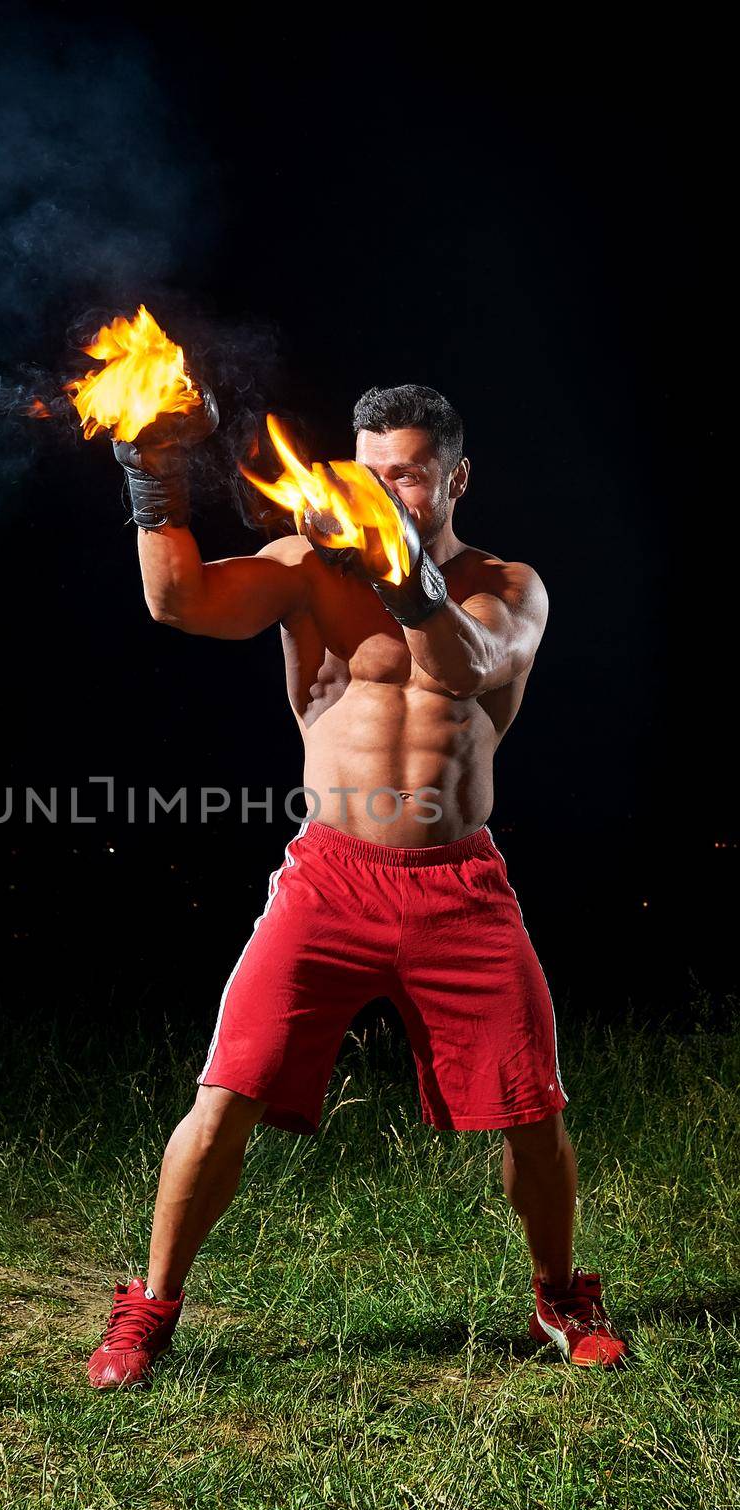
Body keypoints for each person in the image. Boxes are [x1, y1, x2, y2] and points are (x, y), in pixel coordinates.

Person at [87, 382, 628, 1389]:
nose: (385, 493)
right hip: (329, 878)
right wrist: (152, 478)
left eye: (410, 476)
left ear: (456, 477)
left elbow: (462, 670)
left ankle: (559, 1294)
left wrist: (403, 570)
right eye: (371, 474)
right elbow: (178, 601)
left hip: (460, 884)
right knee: (224, 1095)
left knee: (532, 1110)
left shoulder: (508, 586)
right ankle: (150, 1308)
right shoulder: (306, 570)